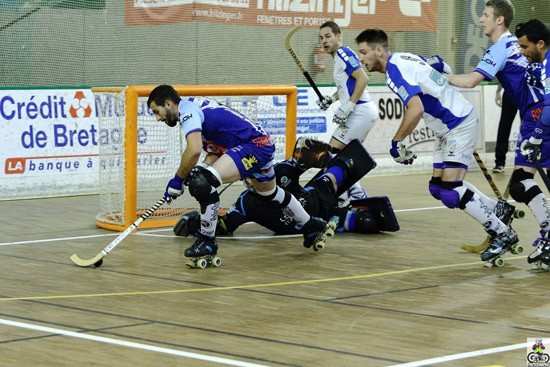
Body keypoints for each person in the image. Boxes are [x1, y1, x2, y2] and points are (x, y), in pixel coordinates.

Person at [355, 28, 519, 264]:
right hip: (448, 126)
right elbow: (441, 64)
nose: (361, 58)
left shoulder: (394, 72)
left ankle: (503, 233)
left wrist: (396, 141)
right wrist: (443, 92)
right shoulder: (406, 57)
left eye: (363, 52)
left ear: (379, 50)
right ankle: (497, 209)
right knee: (439, 189)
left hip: (457, 123)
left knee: (452, 188)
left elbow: (416, 109)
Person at [147, 85, 328, 263]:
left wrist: (177, 180)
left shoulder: (187, 112)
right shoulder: (194, 108)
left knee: (202, 183)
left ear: (169, 103)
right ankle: (311, 225)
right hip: (260, 145)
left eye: (156, 111)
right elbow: (214, 151)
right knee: (269, 193)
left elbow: (193, 150)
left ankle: (207, 242)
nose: (157, 118)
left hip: (253, 146)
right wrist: (199, 168)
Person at [445, 0, 549, 266]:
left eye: (486, 15)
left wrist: (434, 76)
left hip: (538, 116)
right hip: (534, 113)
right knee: (521, 180)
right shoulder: (518, 44)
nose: (481, 19)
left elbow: (469, 81)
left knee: (521, 182)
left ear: (499, 20)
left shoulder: (500, 47)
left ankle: (547, 234)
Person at [174, 139, 399, 238]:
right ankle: (346, 213)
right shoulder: (247, 200)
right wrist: (196, 223)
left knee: (329, 181)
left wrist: (198, 225)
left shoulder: (255, 192)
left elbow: (226, 224)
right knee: (361, 218)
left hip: (308, 210)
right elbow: (225, 224)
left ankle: (349, 203)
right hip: (313, 211)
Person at [316, 21, 379, 200]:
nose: (324, 41)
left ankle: (352, 194)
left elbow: (363, 78)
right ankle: (355, 194)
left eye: (328, 36)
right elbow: (347, 85)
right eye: (321, 38)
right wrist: (332, 99)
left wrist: (349, 105)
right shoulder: (338, 57)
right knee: (345, 155)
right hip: (360, 111)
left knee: (333, 152)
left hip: (360, 111)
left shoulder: (343, 53)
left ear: (339, 36)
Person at [513, 19, 550, 268]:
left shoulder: (548, 64)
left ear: (540, 43)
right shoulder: (541, 62)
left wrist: (536, 135)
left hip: (544, 126)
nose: (523, 52)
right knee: (519, 183)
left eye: (525, 47)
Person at [493, 85, 518, 173]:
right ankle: (499, 162)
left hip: (528, 94)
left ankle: (528, 161)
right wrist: (498, 91)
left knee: (528, 126)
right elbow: (503, 72)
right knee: (504, 126)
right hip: (510, 92)